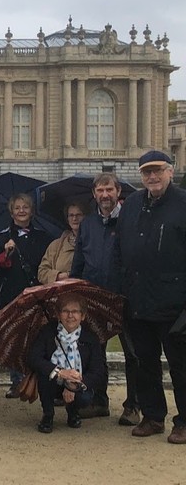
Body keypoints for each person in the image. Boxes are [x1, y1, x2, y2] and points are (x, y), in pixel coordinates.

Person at [114, 150, 186, 444]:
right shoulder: (132, 204)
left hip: (174, 302)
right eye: (146, 172)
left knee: (181, 365)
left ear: (171, 171)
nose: (152, 177)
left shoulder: (183, 203)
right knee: (145, 362)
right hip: (138, 299)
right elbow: (119, 248)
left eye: (157, 171)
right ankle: (154, 415)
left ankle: (183, 421)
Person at [72, 172, 138, 424]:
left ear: (118, 192)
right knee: (95, 352)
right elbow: (79, 260)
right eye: (100, 191)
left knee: (133, 353)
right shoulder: (88, 224)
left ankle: (133, 405)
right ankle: (99, 400)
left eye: (109, 190)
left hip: (125, 297)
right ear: (94, 194)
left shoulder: (130, 221)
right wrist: (75, 289)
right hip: (94, 298)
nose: (105, 195)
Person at [0, 192, 54, 397]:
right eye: (17, 207)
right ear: (11, 212)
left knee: (38, 339)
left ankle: (37, 379)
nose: (21, 211)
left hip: (37, 294)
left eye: (25, 207)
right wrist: (4, 254)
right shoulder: (2, 236)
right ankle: (17, 382)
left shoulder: (43, 237)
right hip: (11, 295)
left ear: (32, 211)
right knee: (14, 340)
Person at [28, 295, 107, 433]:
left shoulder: (91, 338)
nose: (70, 315)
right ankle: (48, 414)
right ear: (58, 314)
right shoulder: (48, 332)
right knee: (44, 377)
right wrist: (60, 372)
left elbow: (98, 371)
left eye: (75, 311)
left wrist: (75, 384)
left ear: (82, 316)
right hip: (53, 381)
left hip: (78, 382)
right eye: (65, 311)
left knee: (84, 397)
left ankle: (73, 412)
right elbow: (34, 358)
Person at [38, 204, 85, 285]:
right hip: (61, 294)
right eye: (71, 215)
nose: (74, 218)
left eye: (78, 215)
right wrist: (59, 276)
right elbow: (42, 273)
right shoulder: (56, 245)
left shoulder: (94, 242)